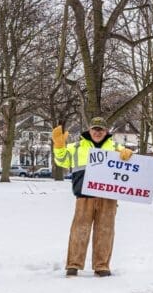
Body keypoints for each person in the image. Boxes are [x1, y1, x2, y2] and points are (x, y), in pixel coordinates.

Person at [52, 116, 134, 277]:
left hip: (108, 197)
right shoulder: (75, 147)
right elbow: (62, 161)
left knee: (105, 231)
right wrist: (59, 146)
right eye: (95, 129)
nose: (97, 132)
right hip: (84, 195)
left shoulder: (116, 147)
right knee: (79, 231)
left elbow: (130, 166)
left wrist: (129, 155)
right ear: (89, 130)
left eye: (101, 129)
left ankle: (101, 266)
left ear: (106, 131)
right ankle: (73, 264)